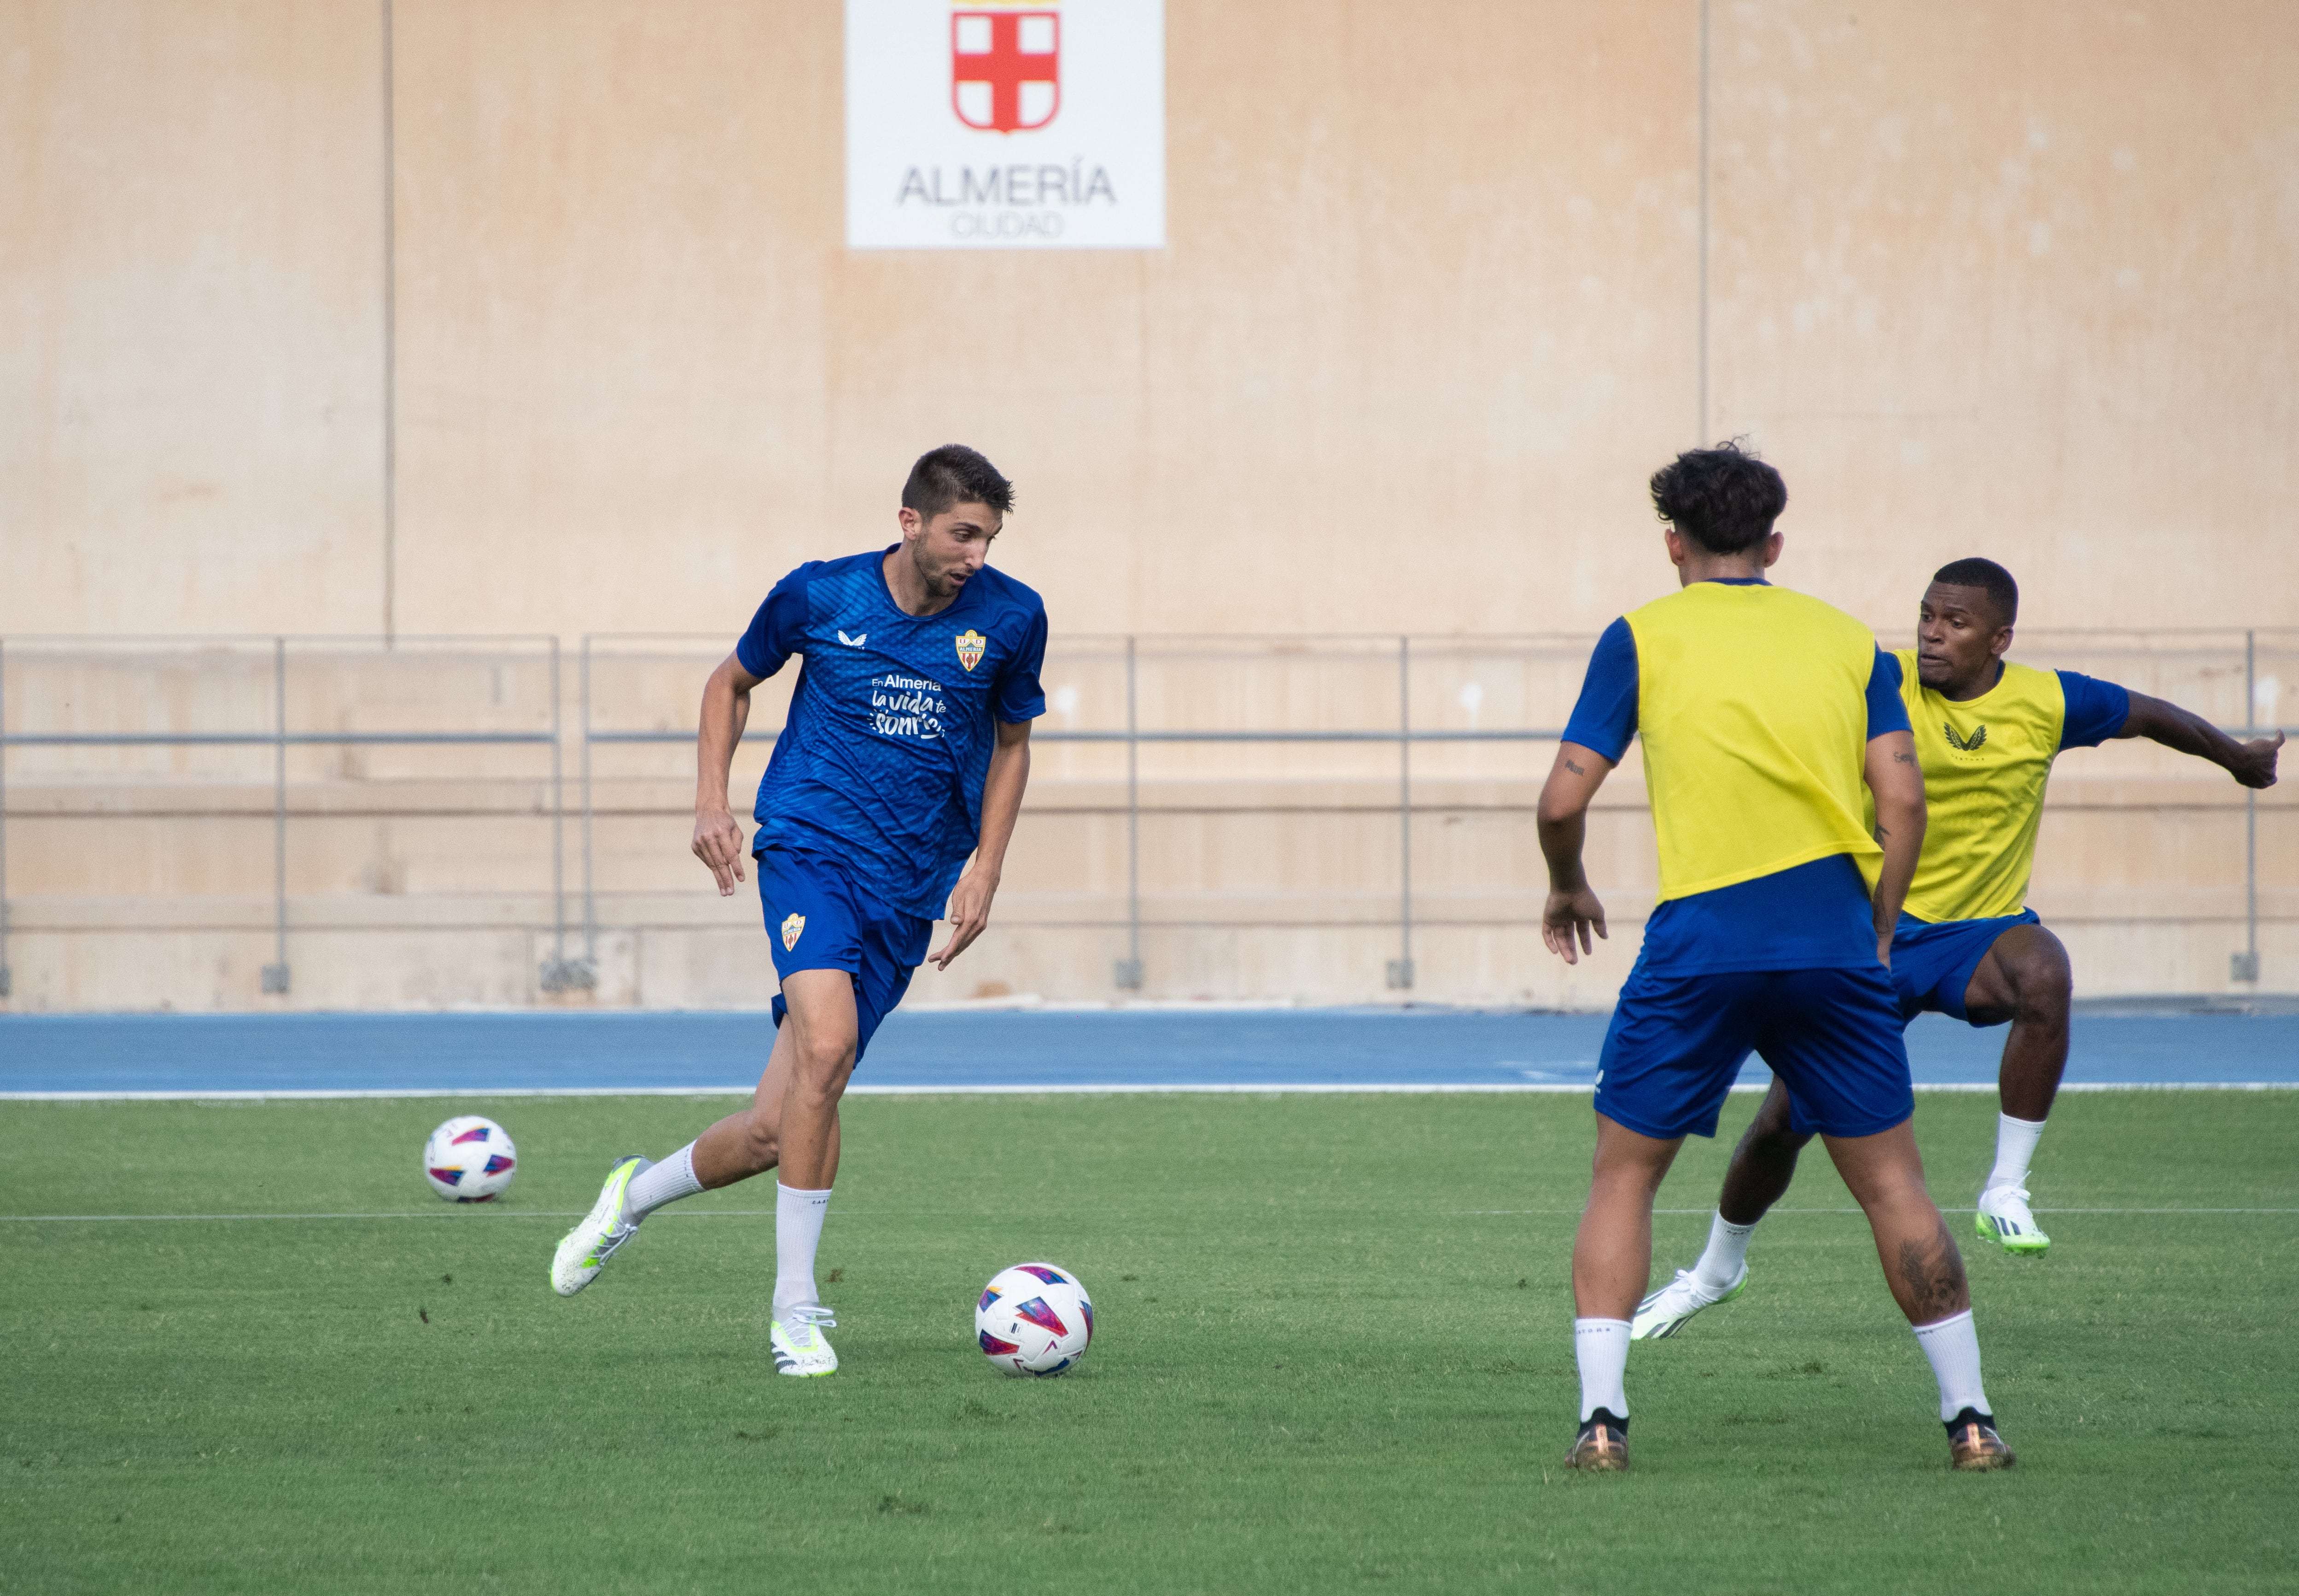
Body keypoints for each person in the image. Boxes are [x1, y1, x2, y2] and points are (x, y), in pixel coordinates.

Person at [1635, 557, 2283, 1335]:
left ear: (1999, 637)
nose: (1932, 634)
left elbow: (2148, 715)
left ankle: (2006, 1188)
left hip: (1977, 938)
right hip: (1869, 937)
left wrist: (2238, 759)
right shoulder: (1882, 680)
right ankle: (1715, 1269)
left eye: (1956, 623)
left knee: (2045, 971)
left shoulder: (2048, 701)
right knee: (1781, 1126)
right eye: (1927, 616)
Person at [1538, 442, 2013, 1472]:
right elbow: (1905, 803)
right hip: (1834, 944)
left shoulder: (1640, 635)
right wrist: (1879, 926)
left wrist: (1568, 881)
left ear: (1674, 541)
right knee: (1894, 1184)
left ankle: (1603, 1424)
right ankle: (1971, 1420)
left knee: (1625, 1175)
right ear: (1775, 542)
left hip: (1702, 942)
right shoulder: (1851, 642)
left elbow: (1561, 799)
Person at [547, 444, 1048, 1378]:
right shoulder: (820, 597)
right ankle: (795, 1311)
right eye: (962, 533)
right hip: (810, 850)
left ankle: (631, 1197)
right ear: (911, 522)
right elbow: (728, 681)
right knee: (825, 1047)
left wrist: (986, 866)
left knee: (782, 1125)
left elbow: (1014, 745)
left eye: (988, 537)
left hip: (908, 887)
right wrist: (711, 801)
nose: (977, 554)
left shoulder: (1014, 618)